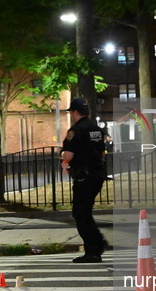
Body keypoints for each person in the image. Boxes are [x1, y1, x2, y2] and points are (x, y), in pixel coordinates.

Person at [61, 98, 108, 263]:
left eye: (71, 112)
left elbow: (68, 155)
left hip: (83, 177)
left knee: (80, 213)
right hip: (97, 175)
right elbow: (102, 153)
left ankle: (94, 249)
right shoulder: (97, 129)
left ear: (74, 112)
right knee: (85, 212)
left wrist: (63, 161)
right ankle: (97, 243)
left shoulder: (75, 131)